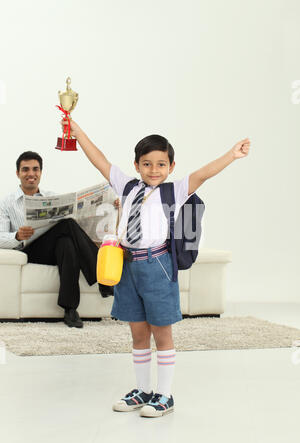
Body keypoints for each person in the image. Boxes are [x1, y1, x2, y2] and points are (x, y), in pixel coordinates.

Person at [63, 119, 250, 417]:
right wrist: (79, 133)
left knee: (161, 333)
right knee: (138, 333)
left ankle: (164, 395)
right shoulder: (126, 186)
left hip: (158, 266)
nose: (154, 170)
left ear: (171, 166)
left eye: (161, 164)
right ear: (136, 165)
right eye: (147, 164)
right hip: (127, 266)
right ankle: (143, 390)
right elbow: (100, 161)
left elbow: (203, 174)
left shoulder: (173, 192)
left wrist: (231, 155)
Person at [0, 151, 116, 328]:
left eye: (35, 169)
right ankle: (102, 277)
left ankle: (70, 309)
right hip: (29, 250)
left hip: (53, 249)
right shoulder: (6, 203)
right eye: (25, 170)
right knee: (67, 225)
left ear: (41, 172)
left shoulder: (51, 196)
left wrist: (112, 206)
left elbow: (78, 226)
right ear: (18, 173)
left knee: (66, 243)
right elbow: (0, 237)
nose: (31, 174)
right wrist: (16, 236)